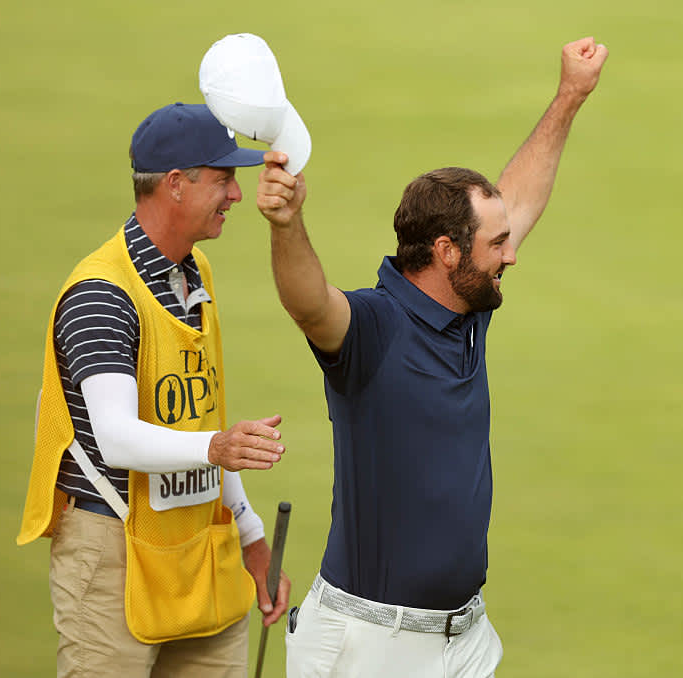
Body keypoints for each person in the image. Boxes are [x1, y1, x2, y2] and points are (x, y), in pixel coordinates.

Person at [255, 37, 608, 677]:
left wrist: (569, 97)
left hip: (463, 638)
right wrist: (286, 224)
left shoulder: (469, 307)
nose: (513, 254)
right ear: (447, 252)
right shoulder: (373, 327)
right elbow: (310, 304)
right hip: (368, 644)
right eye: (497, 244)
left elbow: (518, 200)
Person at [17, 102, 292, 677]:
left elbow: (204, 417)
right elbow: (116, 438)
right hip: (111, 554)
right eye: (224, 180)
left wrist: (250, 535)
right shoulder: (101, 292)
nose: (237, 194)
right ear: (174, 185)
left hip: (199, 548)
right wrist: (216, 448)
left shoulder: (196, 273)